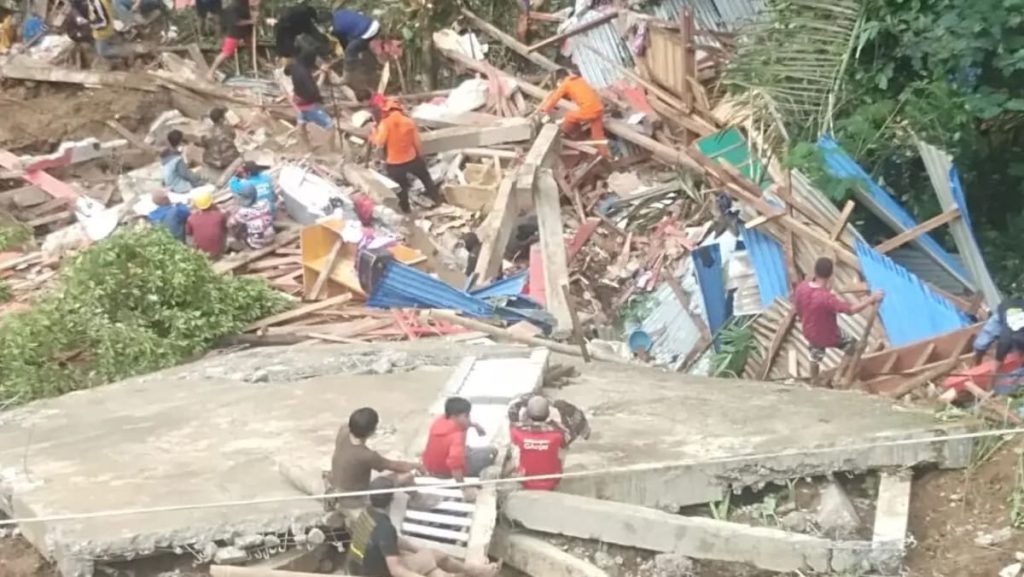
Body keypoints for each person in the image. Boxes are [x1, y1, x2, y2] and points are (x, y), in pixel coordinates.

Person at [347, 476, 501, 577]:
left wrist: (417, 549)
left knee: (435, 556)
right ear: (392, 499)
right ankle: (477, 572)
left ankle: (475, 571)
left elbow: (393, 541)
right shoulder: (384, 527)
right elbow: (396, 570)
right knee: (436, 570)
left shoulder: (367, 512)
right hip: (377, 573)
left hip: (361, 566)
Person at [793, 257, 884, 382]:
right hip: (829, 334)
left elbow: (798, 308)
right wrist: (871, 299)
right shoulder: (826, 298)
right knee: (853, 345)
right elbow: (851, 310)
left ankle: (813, 381)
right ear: (831, 275)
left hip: (810, 331)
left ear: (815, 271)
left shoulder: (801, 288)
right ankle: (838, 375)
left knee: (815, 355)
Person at [329, 407, 421, 525]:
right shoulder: (367, 455)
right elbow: (393, 465)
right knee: (406, 476)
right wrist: (416, 465)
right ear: (371, 432)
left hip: (337, 487)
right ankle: (417, 499)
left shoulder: (343, 430)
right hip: (355, 499)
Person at [371, 98, 442, 214]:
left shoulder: (385, 123)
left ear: (387, 110)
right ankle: (436, 199)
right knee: (426, 178)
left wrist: (374, 132)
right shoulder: (409, 122)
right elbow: (417, 143)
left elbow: (379, 143)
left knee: (402, 188)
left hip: (394, 163)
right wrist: (420, 156)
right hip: (412, 158)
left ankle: (406, 210)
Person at [421, 397, 495, 502]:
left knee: (465, 451)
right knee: (491, 452)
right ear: (455, 416)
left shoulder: (439, 421)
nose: (469, 418)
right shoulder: (456, 437)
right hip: (445, 472)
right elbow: (455, 466)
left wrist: (475, 425)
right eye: (466, 415)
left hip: (431, 466)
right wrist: (464, 488)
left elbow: (463, 423)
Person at [538, 67, 608, 157]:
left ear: (560, 80)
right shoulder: (580, 80)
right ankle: (606, 156)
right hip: (598, 108)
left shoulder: (566, 83)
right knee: (598, 136)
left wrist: (544, 110)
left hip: (590, 109)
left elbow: (555, 97)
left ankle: (563, 134)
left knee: (569, 116)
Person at [509, 396, 568, 491]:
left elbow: (514, 450)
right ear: (548, 414)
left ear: (527, 414)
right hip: (552, 481)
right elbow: (563, 450)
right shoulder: (558, 434)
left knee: (515, 450)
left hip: (525, 481)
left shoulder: (516, 432)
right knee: (562, 449)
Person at [284, 49, 333, 129]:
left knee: (302, 126)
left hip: (299, 103)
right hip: (308, 105)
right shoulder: (304, 73)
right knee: (329, 126)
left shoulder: (296, 68)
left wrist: (321, 72)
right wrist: (323, 75)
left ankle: (303, 140)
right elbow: (314, 90)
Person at [207, 0, 253, 80]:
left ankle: (250, 66)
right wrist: (251, 21)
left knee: (251, 47)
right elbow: (236, 22)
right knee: (226, 53)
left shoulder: (245, 4)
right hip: (234, 33)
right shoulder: (233, 7)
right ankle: (210, 72)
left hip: (245, 32)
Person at [973, 299, 1024, 366]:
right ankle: (976, 363)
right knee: (980, 344)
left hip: (1016, 312)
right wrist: (995, 372)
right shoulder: (1007, 337)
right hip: (1005, 311)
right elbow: (1002, 348)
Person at [227, 181, 275, 249]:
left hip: (256, 244)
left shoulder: (242, 212)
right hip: (271, 238)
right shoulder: (266, 203)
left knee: (235, 226)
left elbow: (230, 224)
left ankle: (239, 243)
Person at [185, 188, 227, 258]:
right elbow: (224, 228)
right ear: (211, 203)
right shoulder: (220, 215)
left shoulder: (191, 219)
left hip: (202, 253)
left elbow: (188, 233)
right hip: (219, 251)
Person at [160, 130, 205, 194]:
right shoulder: (177, 160)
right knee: (203, 181)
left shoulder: (165, 155)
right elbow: (188, 176)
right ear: (181, 142)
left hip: (170, 184)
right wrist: (199, 176)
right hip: (178, 187)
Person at [200, 106, 240, 171]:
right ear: (221, 119)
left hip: (211, 160)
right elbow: (233, 136)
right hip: (225, 160)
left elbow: (203, 144)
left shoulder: (207, 132)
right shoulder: (227, 128)